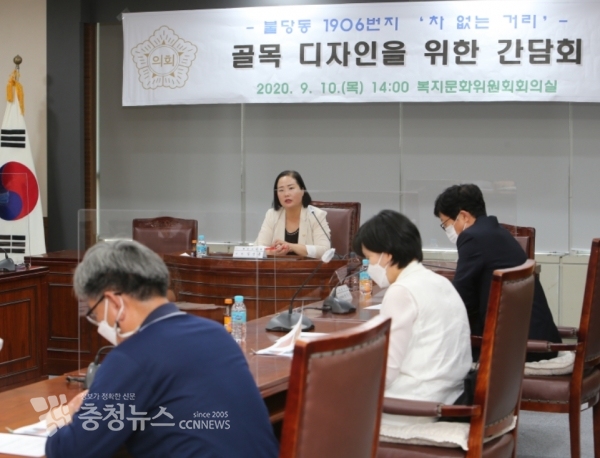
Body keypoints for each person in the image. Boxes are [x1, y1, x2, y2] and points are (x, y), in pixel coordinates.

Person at [45, 240, 279, 458]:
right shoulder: (216, 333)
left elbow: (72, 450)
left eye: (95, 314)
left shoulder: (132, 357)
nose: (98, 326)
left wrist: (61, 419)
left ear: (115, 303)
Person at [352, 210, 472, 436]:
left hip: (415, 406)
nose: (368, 266)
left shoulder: (401, 291)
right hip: (452, 395)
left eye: (368, 258)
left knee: (326, 400)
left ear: (387, 256)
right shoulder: (440, 281)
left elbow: (386, 372)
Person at [434, 183, 561, 362]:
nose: (448, 230)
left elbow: (460, 300)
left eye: (445, 224)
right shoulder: (497, 232)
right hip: (536, 339)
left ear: (463, 216)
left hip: (518, 350)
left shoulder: (471, 237)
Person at [255, 170, 331, 258]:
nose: (286, 194)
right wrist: (272, 252)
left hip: (307, 266)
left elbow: (325, 250)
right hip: (277, 266)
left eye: (291, 188)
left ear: (302, 190)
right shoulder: (272, 215)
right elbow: (258, 248)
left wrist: (290, 246)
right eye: (281, 190)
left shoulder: (316, 215)